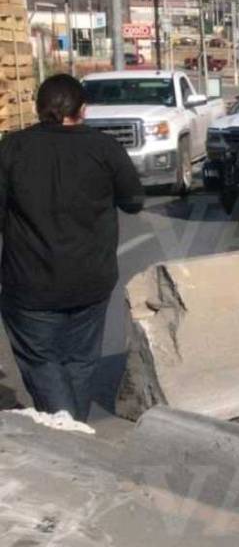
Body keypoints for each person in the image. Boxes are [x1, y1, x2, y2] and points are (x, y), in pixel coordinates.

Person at [0, 74, 144, 421]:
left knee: (41, 361)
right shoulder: (104, 148)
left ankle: (66, 431)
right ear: (83, 109)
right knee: (80, 360)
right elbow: (134, 201)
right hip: (90, 281)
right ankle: (71, 428)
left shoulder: (11, 149)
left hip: (29, 285)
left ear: (39, 109)